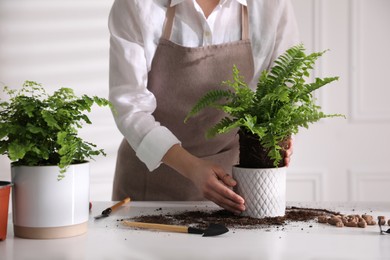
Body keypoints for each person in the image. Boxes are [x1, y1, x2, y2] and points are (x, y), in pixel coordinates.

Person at [108, 0, 299, 214]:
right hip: (149, 186)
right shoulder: (137, 5)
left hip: (233, 187)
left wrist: (279, 134)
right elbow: (129, 106)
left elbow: (283, 87)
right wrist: (191, 167)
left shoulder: (271, 5)